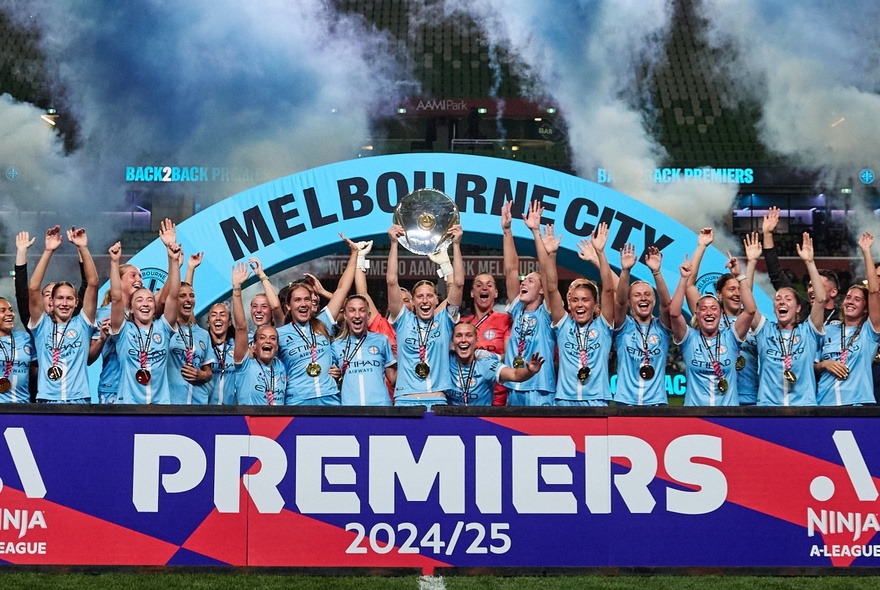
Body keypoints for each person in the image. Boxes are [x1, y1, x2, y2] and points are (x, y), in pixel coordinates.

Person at [670, 236, 758, 406]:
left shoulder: (744, 324)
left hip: (748, 395)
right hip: (718, 396)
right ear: (719, 294)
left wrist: (749, 265)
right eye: (731, 289)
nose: (737, 293)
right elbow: (689, 287)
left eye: (740, 290)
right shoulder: (709, 320)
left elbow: (750, 304)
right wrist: (701, 247)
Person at [387, 222, 464, 408]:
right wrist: (393, 244)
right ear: (412, 302)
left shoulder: (445, 320)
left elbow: (459, 284)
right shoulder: (403, 320)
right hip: (405, 399)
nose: (425, 300)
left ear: (437, 300)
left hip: (437, 400)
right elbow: (391, 282)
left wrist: (456, 245)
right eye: (419, 296)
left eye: (430, 296)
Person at [277, 234, 360, 405]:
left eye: (307, 299)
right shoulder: (279, 334)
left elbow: (342, 289)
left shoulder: (324, 322)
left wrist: (354, 253)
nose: (303, 304)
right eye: (297, 300)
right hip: (298, 401)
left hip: (330, 398)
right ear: (288, 306)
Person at [752, 232, 826, 406]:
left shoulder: (808, 331)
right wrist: (752, 263)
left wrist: (809, 262)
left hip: (804, 409)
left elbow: (821, 299)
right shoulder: (765, 330)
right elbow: (749, 307)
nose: (781, 301)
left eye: (787, 299)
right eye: (777, 299)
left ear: (798, 307)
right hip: (768, 409)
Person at [546, 222, 617, 405]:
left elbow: (609, 289)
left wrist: (600, 254)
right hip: (564, 401)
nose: (580, 304)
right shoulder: (563, 326)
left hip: (597, 400)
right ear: (569, 304)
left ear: (595, 305)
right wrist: (551, 255)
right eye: (575, 300)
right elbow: (552, 289)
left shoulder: (603, 326)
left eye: (585, 300)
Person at [27, 226, 99, 402]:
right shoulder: (42, 325)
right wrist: (48, 251)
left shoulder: (83, 323)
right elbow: (34, 288)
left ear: (76, 303)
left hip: (80, 400)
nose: (64, 303)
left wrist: (83, 248)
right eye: (59, 298)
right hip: (47, 400)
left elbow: (93, 284)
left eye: (69, 299)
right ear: (51, 301)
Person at [108, 234, 181, 405]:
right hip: (128, 406)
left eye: (149, 300)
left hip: (161, 406)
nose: (145, 304)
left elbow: (174, 296)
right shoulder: (124, 331)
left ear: (155, 307)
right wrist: (114, 262)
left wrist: (173, 260)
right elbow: (116, 298)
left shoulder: (163, 327)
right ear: (131, 309)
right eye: (139, 300)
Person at [500, 200, 558, 406]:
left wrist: (536, 233)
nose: (524, 282)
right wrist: (507, 231)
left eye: (531, 281)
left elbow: (550, 281)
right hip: (515, 387)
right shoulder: (517, 311)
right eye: (524, 281)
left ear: (541, 290)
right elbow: (511, 270)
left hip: (539, 388)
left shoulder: (547, 313)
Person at [815, 232, 880, 406]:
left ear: (866, 308)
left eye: (857, 299)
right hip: (824, 403)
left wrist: (866, 251)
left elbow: (874, 291)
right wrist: (825, 364)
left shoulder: (869, 332)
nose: (850, 301)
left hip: (858, 404)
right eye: (849, 297)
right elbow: (809, 365)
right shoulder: (827, 330)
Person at [612, 243, 673, 406]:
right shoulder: (624, 326)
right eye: (637, 295)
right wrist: (625, 271)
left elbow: (667, 306)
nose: (643, 298)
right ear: (631, 302)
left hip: (657, 403)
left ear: (653, 301)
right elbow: (619, 302)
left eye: (647, 295)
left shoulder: (662, 328)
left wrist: (656, 272)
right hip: (624, 403)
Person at [231, 263, 287, 405]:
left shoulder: (281, 364)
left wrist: (262, 276)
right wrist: (237, 289)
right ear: (254, 344)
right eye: (254, 306)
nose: (258, 310)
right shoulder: (246, 357)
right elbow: (241, 327)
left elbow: (276, 306)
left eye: (264, 306)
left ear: (278, 345)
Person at [447, 322, 543, 405]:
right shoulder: (445, 362)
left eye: (469, 335)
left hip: (480, 420)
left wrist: (530, 372)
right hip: (450, 421)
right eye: (458, 336)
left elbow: (514, 374)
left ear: (476, 341)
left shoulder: (485, 364)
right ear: (452, 342)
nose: (463, 340)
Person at [329, 294, 397, 406]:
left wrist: (408, 356)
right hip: (350, 409)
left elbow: (393, 379)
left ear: (368, 315)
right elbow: (330, 376)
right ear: (345, 315)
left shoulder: (381, 340)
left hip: (381, 408)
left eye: (362, 310)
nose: (357, 315)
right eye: (352, 310)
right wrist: (334, 374)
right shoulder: (336, 345)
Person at [166, 253, 215, 404]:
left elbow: (208, 372)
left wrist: (203, 375)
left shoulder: (202, 334)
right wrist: (184, 268)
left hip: (198, 404)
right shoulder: (166, 329)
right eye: (183, 296)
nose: (188, 300)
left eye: (192, 296)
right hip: (172, 404)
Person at [460, 272, 512, 406]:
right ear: (472, 293)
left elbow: (510, 355)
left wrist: (496, 358)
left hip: (498, 395)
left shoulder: (505, 320)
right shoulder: (462, 324)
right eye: (479, 285)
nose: (484, 288)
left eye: (489, 285)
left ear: (495, 293)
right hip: (469, 394)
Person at [0, 297, 35, 403]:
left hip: (24, 404)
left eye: (10, 310)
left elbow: (34, 369)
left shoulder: (25, 338)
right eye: (2, 310)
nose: (9, 313)